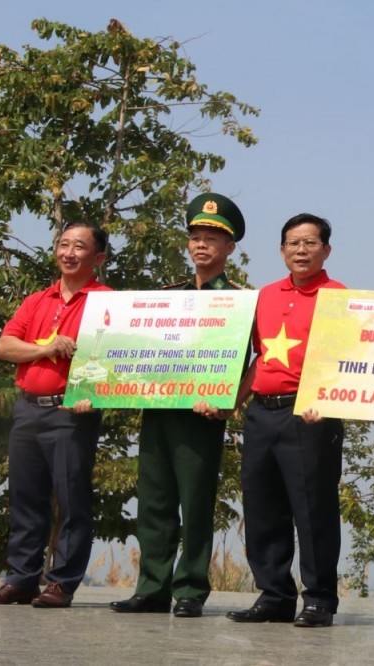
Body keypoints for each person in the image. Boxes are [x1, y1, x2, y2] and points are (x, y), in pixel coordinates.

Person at [111, 192, 246, 619]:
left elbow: (253, 361)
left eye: (212, 237)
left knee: (196, 501)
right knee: (153, 501)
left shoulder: (241, 301)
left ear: (230, 248)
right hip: (157, 409)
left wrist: (229, 402)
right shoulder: (165, 297)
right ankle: (152, 587)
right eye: (195, 236)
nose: (202, 244)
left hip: (201, 415)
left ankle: (190, 589)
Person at [0, 223, 112, 609]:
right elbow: (4, 346)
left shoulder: (107, 301)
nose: (69, 253)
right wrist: (46, 348)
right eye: (64, 244)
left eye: (80, 247)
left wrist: (94, 396)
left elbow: (115, 357)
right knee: (24, 498)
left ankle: (62, 583)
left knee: (72, 499)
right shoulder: (37, 299)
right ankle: (20, 579)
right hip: (27, 410)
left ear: (97, 258)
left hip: (71, 411)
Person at [224, 213, 345, 628]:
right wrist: (230, 401)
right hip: (261, 413)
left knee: (313, 510)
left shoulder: (340, 297)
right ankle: (274, 594)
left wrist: (324, 400)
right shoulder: (265, 296)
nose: (301, 251)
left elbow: (347, 361)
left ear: (326, 250)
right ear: (281, 250)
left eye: (310, 243)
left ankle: (320, 600)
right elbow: (260, 358)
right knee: (261, 506)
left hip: (309, 415)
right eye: (293, 243)